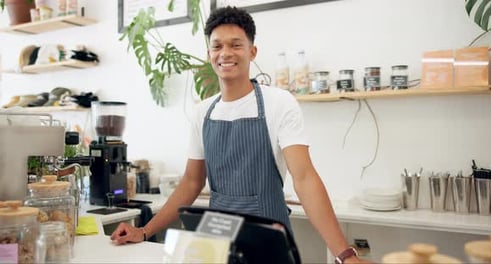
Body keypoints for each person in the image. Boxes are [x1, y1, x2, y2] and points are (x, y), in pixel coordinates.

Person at [111, 6, 368, 264]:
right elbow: (191, 182)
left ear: (252, 51)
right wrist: (144, 231)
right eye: (217, 46)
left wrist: (345, 255)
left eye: (236, 45)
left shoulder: (279, 103)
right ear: (209, 53)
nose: (225, 53)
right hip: (215, 241)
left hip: (267, 238)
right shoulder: (203, 112)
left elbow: (304, 179)